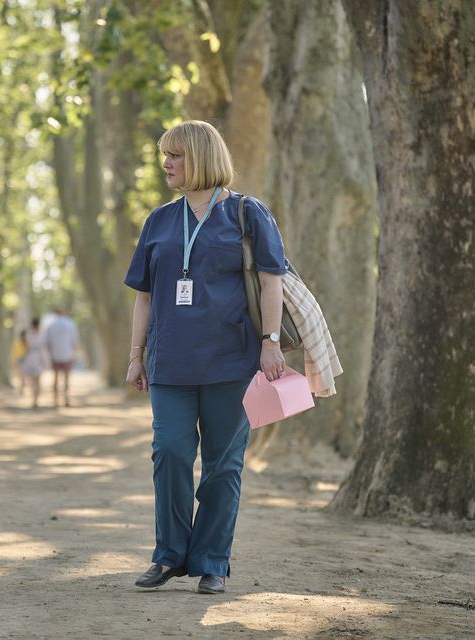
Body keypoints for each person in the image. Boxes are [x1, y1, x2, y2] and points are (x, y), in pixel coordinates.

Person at [124, 120, 289, 595]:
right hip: (170, 363)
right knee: (170, 452)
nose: (166, 164)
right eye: (165, 156)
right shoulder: (158, 220)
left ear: (200, 157)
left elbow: (270, 281)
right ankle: (169, 555)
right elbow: (145, 295)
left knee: (223, 464)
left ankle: (213, 560)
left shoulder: (246, 213)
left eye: (175, 155)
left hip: (232, 363)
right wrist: (136, 355)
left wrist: (271, 341)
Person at [44, 307, 79, 407]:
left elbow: (47, 343)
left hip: (55, 355)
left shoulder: (50, 326)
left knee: (55, 378)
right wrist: (74, 353)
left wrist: (49, 354)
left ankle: (55, 401)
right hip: (67, 355)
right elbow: (75, 341)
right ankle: (66, 399)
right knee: (67, 378)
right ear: (63, 313)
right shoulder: (70, 324)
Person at [20, 317, 48, 408]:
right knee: (36, 380)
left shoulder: (29, 334)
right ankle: (35, 399)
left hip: (31, 357)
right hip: (37, 358)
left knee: (34, 380)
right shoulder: (40, 335)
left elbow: (26, 346)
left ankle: (35, 399)